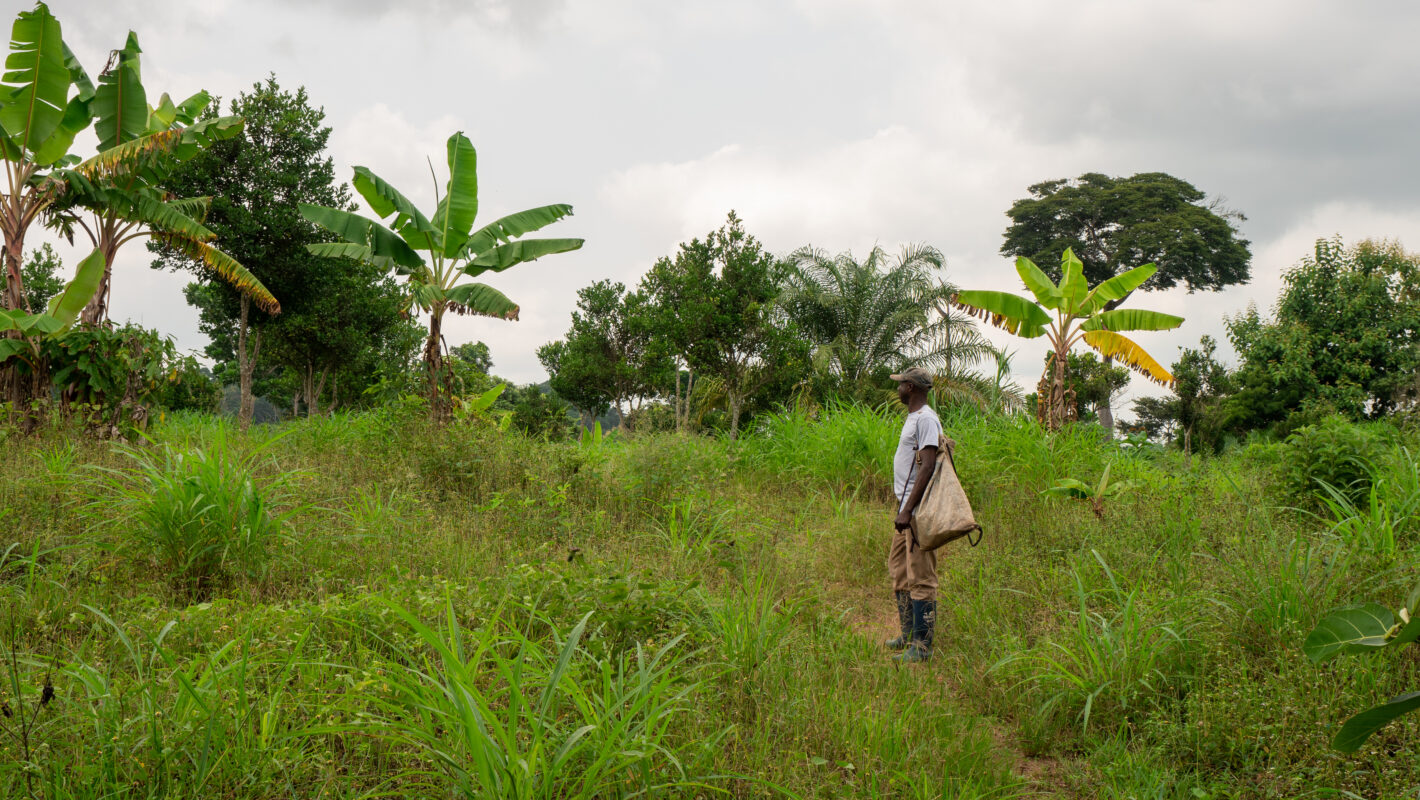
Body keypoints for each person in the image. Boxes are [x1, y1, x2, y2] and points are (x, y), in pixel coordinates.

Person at [885, 366, 943, 663]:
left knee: (921, 576)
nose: (898, 389)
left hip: (917, 511)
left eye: (901, 384)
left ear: (912, 387)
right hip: (905, 509)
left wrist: (908, 509)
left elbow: (929, 465)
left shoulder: (926, 420)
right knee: (899, 570)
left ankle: (922, 646)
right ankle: (908, 634)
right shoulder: (914, 419)